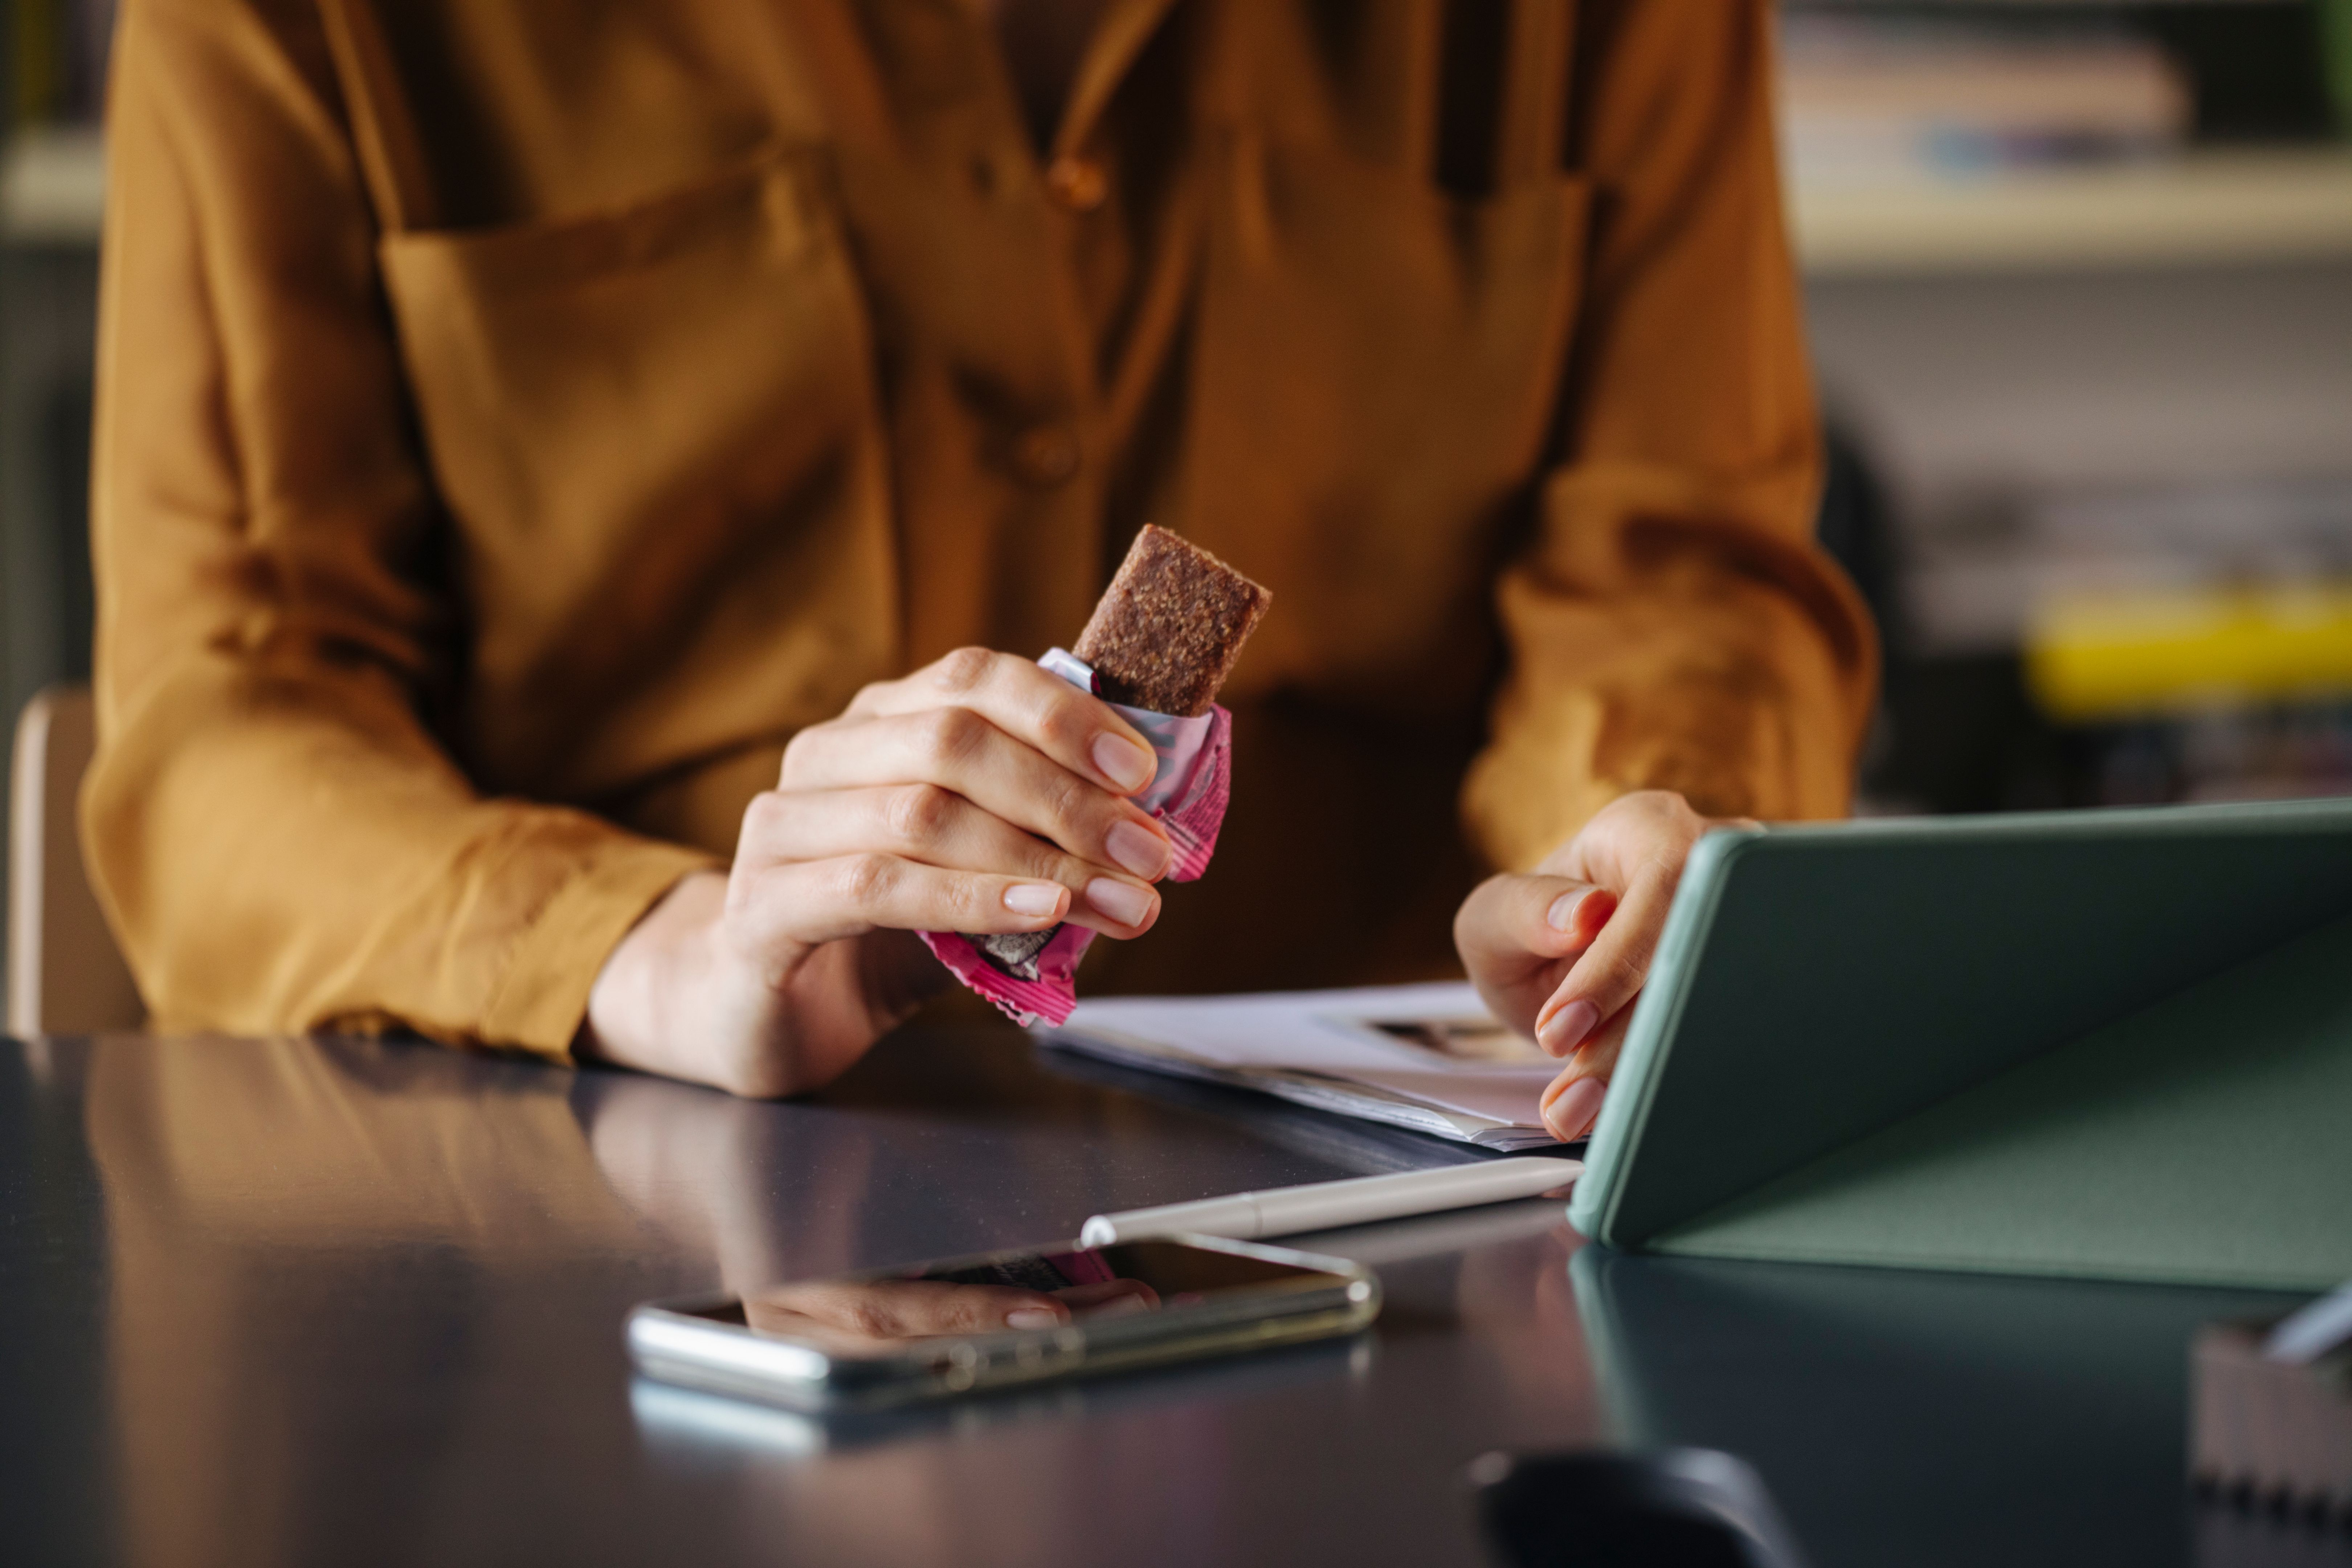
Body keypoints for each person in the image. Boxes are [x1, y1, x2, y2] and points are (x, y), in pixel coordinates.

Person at [83, 0, 1873, 1141]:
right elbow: (229, 720)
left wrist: (1625, 880)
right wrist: (663, 951)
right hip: (620, 1196)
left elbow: (1675, 575)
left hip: (1427, 1207)